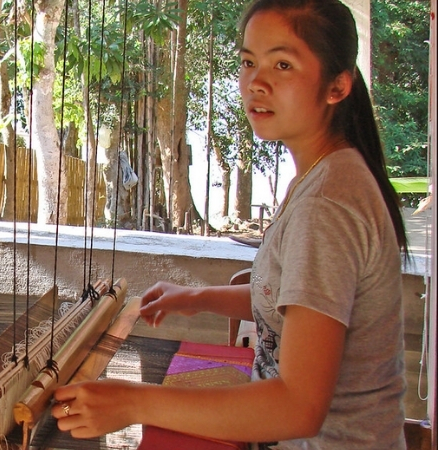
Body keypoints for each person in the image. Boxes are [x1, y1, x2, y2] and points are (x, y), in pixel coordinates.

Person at [51, 0, 409, 448]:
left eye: (282, 64)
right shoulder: (325, 174)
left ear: (337, 86)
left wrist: (132, 402)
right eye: (248, 62)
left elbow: (298, 408)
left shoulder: (327, 206)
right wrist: (196, 297)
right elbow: (293, 299)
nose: (256, 82)